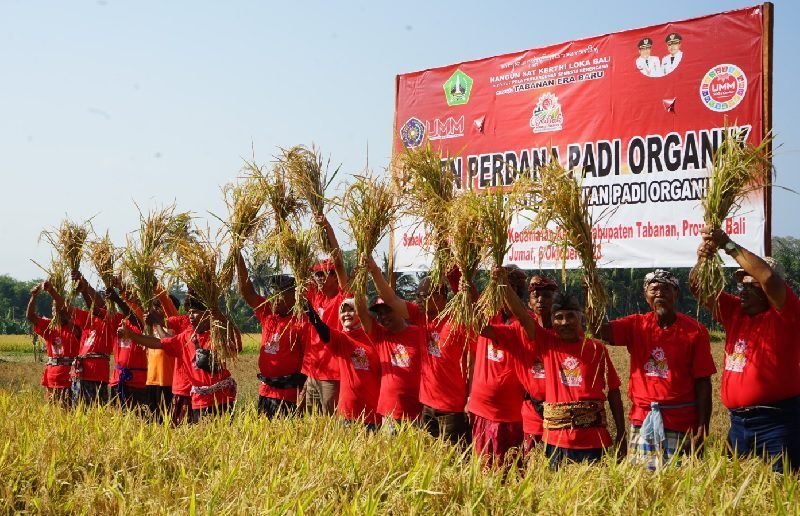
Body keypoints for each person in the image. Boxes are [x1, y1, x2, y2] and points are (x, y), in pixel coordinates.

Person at [692, 227, 800, 473]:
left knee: (782, 492)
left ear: (769, 292)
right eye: (741, 284)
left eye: (751, 285)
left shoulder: (786, 313)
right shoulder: (735, 312)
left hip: (777, 423)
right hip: (738, 424)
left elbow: (769, 278)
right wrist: (703, 258)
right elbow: (699, 287)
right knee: (737, 493)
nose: (743, 290)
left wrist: (727, 244)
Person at [497, 268, 626, 469]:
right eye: (558, 317)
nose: (564, 322)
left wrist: (622, 433)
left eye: (570, 316)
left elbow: (614, 392)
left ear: (580, 317)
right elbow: (522, 316)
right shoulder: (548, 344)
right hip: (556, 442)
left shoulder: (596, 349)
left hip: (593, 441)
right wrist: (503, 284)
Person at [600, 269, 716, 470]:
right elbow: (600, 331)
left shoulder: (694, 331)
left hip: (681, 423)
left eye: (666, 289)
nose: (660, 294)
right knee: (642, 487)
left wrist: (702, 429)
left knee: (680, 488)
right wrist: (592, 293)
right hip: (643, 421)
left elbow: (703, 383)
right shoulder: (636, 325)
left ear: (676, 294)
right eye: (654, 290)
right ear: (646, 297)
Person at [367, 257, 472, 445]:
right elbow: (390, 298)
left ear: (439, 296)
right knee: (429, 460)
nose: (418, 300)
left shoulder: (457, 322)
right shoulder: (421, 317)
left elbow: (472, 361)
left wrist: (470, 397)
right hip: (427, 407)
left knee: (452, 462)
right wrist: (374, 270)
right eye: (417, 295)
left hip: (452, 408)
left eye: (423, 296)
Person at [117, 295, 239, 422]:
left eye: (195, 312)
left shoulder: (217, 334)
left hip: (222, 398)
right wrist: (131, 335)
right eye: (189, 312)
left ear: (208, 314)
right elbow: (159, 343)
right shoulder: (186, 337)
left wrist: (221, 318)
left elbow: (234, 347)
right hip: (199, 400)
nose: (190, 316)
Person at [354, 255, 424, 429]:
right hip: (390, 413)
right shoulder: (379, 336)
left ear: (399, 310)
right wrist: (361, 278)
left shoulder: (418, 333)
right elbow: (362, 312)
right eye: (380, 314)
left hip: (417, 412)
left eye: (388, 311)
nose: (383, 317)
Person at [236, 251, 308, 418]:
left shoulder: (301, 321)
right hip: (265, 391)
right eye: (273, 293)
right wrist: (237, 256)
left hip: (289, 396)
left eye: (281, 294)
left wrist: (304, 397)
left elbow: (309, 362)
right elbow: (248, 292)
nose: (275, 298)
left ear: (293, 296)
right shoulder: (268, 313)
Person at [470, 265, 527, 467]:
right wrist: (466, 278)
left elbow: (484, 329)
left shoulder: (524, 323)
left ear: (517, 291)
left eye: (508, 287)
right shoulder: (489, 314)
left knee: (509, 475)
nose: (501, 292)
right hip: (481, 411)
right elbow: (466, 292)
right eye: (498, 287)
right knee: (483, 471)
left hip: (508, 417)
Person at [72, 269, 149, 409]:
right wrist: (84, 287)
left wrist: (118, 299)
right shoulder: (117, 320)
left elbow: (135, 319)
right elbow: (95, 308)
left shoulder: (145, 322)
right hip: (118, 380)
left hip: (137, 381)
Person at [304, 297, 381, 429]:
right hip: (347, 414)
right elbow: (321, 328)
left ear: (360, 312)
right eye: (343, 311)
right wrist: (307, 307)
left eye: (351, 310)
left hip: (372, 415)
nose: (346, 314)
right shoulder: (341, 339)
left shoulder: (374, 336)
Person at [301, 213, 349, 414]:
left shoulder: (343, 297)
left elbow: (338, 261)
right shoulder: (315, 297)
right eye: (317, 274)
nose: (319, 278)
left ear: (334, 276)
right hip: (311, 371)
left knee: (331, 425)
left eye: (323, 274)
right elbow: (299, 267)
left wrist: (327, 227)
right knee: (309, 425)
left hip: (332, 374)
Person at [518, 274, 558, 453]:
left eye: (547, 296)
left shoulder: (565, 332)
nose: (541, 300)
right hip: (531, 411)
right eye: (536, 296)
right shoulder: (523, 330)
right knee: (531, 463)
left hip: (559, 413)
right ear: (529, 303)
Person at [26, 281, 80, 407]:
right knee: (54, 412)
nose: (56, 312)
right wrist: (34, 296)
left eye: (58, 309)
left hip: (70, 375)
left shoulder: (74, 327)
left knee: (69, 409)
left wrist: (53, 293)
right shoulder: (49, 327)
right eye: (53, 309)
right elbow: (30, 317)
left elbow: (65, 309)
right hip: (52, 374)